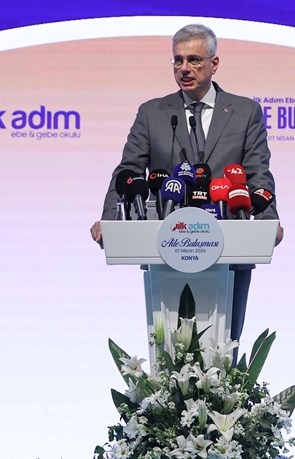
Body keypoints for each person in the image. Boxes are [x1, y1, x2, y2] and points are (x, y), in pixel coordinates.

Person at [89, 23, 282, 345]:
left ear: (214, 63)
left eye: (194, 60)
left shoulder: (245, 112)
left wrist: (267, 221)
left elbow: (257, 173)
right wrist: (110, 221)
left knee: (225, 347)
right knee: (169, 349)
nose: (184, 68)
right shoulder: (152, 113)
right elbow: (128, 172)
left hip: (230, 244)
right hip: (167, 244)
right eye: (177, 60)